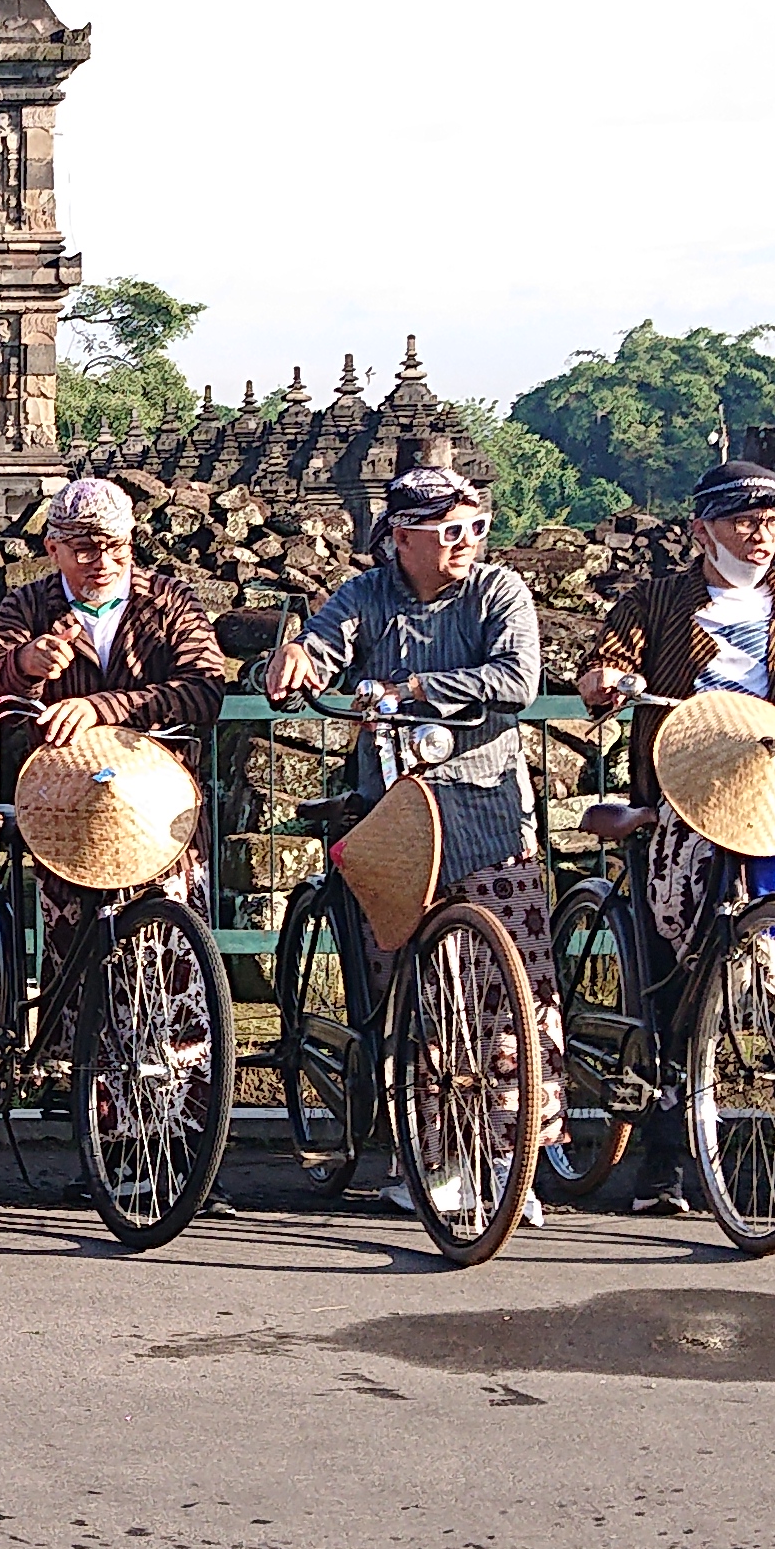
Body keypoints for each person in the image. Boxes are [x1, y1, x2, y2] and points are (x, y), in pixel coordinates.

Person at [260, 465, 550, 1218]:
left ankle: (515, 1156)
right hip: (396, 813)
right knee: (412, 995)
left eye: (475, 528)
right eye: (449, 532)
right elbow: (327, 643)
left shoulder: (499, 592)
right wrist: (299, 660)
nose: (465, 543)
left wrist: (412, 690)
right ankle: (429, 1153)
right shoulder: (367, 595)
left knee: (511, 993)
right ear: (403, 537)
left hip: (486, 811)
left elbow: (516, 678)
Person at [573, 460, 775, 954]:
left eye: (772, 522)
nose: (761, 536)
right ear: (702, 531)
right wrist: (603, 681)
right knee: (689, 892)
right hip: (689, 778)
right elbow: (610, 658)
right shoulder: (657, 601)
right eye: (743, 522)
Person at [0, 478, 231, 791]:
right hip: (58, 797)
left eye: (117, 547)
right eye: (85, 551)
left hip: (159, 792)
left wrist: (100, 708)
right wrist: (23, 665)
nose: (104, 564)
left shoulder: (171, 600)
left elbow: (205, 691)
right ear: (53, 550)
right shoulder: (26, 606)